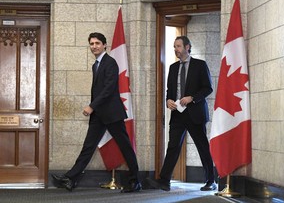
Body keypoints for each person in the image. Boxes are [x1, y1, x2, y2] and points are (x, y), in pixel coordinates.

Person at [52, 32, 141, 193]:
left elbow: (108, 90)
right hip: (99, 114)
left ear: (105, 45)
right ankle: (70, 179)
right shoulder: (96, 64)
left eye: (97, 43)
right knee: (88, 147)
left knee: (125, 147)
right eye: (92, 44)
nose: (94, 46)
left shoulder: (110, 63)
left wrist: (91, 106)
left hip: (112, 114)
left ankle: (135, 182)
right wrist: (95, 108)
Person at [146, 36, 216, 191]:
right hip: (177, 114)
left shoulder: (200, 65)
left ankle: (211, 180)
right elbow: (169, 91)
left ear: (187, 47)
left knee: (202, 147)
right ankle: (164, 181)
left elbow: (208, 88)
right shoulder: (173, 67)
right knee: (173, 146)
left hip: (195, 113)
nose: (176, 49)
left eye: (178, 46)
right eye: (174, 47)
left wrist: (192, 98)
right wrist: (168, 101)